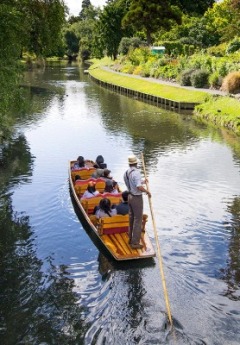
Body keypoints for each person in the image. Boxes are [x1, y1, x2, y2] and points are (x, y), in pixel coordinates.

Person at [124, 154, 151, 249]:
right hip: (136, 198)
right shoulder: (136, 173)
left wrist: (143, 181)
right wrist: (147, 191)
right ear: (136, 163)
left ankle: (130, 238)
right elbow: (138, 187)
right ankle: (135, 243)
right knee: (137, 219)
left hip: (130, 196)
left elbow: (133, 183)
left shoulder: (127, 172)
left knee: (131, 218)